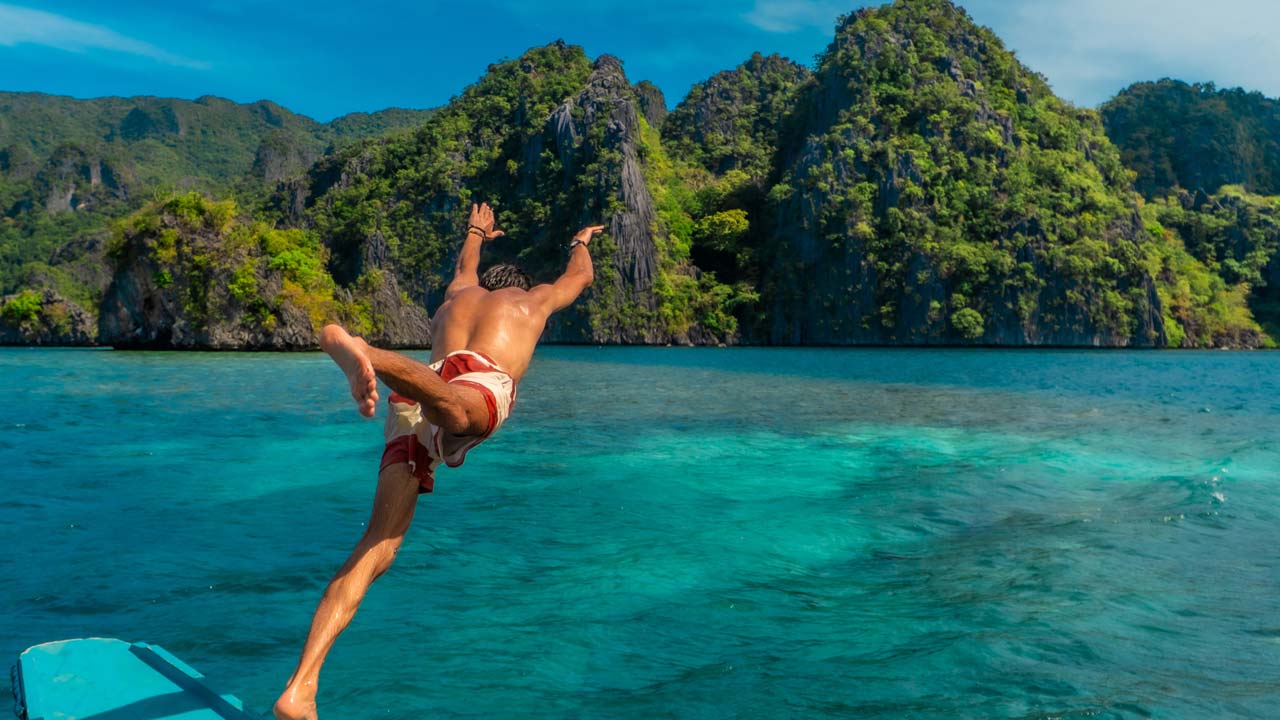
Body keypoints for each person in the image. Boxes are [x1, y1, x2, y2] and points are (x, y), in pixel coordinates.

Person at [273, 203, 604, 720]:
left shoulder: (457, 296)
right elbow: (577, 278)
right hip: (470, 381)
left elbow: (463, 267)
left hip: (419, 383)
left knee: (377, 546)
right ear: (516, 284)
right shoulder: (532, 300)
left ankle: (301, 688)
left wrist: (477, 231)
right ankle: (368, 352)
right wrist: (580, 240)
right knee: (458, 409)